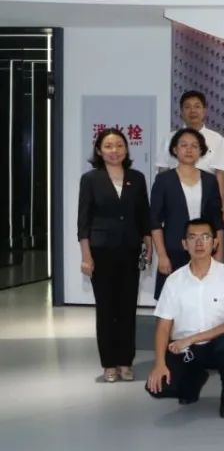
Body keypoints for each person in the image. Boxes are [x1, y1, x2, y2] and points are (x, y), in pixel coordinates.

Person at [145, 218, 224, 419]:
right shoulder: (174, 281)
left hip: (216, 344)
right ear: (184, 244)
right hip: (184, 350)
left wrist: (192, 339)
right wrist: (159, 364)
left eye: (205, 237)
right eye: (192, 238)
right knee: (158, 387)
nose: (199, 243)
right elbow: (163, 327)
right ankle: (194, 379)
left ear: (215, 243)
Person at [78, 128, 151, 383]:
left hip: (130, 250)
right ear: (99, 151)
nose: (114, 151)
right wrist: (86, 256)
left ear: (126, 149)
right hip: (101, 251)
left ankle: (125, 361)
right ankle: (109, 363)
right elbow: (83, 221)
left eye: (119, 145)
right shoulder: (90, 179)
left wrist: (148, 245)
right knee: (106, 309)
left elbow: (144, 215)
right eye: (108, 146)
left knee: (127, 308)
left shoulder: (137, 178)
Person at [150, 128, 224, 299]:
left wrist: (219, 250)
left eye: (194, 146)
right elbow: (154, 221)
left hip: (204, 250)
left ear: (201, 151)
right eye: (184, 145)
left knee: (203, 299)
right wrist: (162, 255)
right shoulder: (163, 180)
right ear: (175, 150)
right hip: (173, 249)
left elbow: (217, 219)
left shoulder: (209, 180)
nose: (189, 150)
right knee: (172, 300)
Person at [155, 91, 224, 226]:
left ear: (204, 111)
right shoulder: (170, 138)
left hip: (206, 198)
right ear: (181, 112)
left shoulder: (216, 139)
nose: (192, 111)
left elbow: (220, 174)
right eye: (187, 107)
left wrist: (222, 206)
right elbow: (162, 171)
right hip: (175, 198)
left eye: (197, 106)